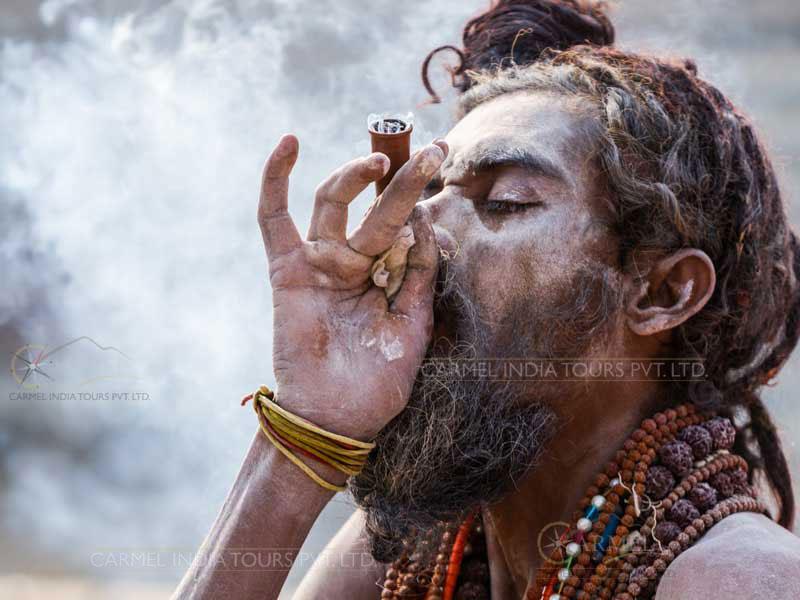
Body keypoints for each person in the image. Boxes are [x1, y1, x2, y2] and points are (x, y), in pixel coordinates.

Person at [172, 1, 800, 598]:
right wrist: (308, 427)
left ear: (662, 292)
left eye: (505, 202)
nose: (414, 229)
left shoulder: (739, 578)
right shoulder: (424, 546)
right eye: (426, 191)